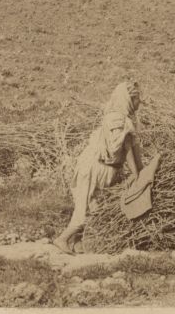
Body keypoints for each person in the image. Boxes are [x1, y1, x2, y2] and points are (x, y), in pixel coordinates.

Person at [54, 81, 143, 253]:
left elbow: (133, 149)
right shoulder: (117, 119)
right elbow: (127, 148)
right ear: (129, 100)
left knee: (95, 207)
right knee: (85, 206)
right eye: (138, 99)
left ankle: (78, 244)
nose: (140, 103)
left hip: (106, 169)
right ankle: (62, 239)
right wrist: (136, 173)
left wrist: (140, 170)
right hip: (94, 168)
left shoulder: (125, 119)